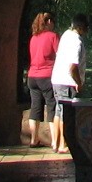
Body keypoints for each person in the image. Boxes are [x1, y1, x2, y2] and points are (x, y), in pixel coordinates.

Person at [50, 13, 88, 154]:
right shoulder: (76, 42)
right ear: (80, 27)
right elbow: (73, 67)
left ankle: (57, 142)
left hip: (57, 79)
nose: (87, 30)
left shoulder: (66, 35)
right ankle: (64, 144)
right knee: (67, 113)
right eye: (85, 27)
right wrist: (79, 83)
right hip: (67, 82)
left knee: (59, 112)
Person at [24, 12, 59, 149]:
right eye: (53, 21)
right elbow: (59, 55)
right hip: (47, 76)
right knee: (52, 107)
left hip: (32, 76)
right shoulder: (53, 36)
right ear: (49, 21)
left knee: (35, 107)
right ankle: (55, 142)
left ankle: (34, 139)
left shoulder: (33, 38)